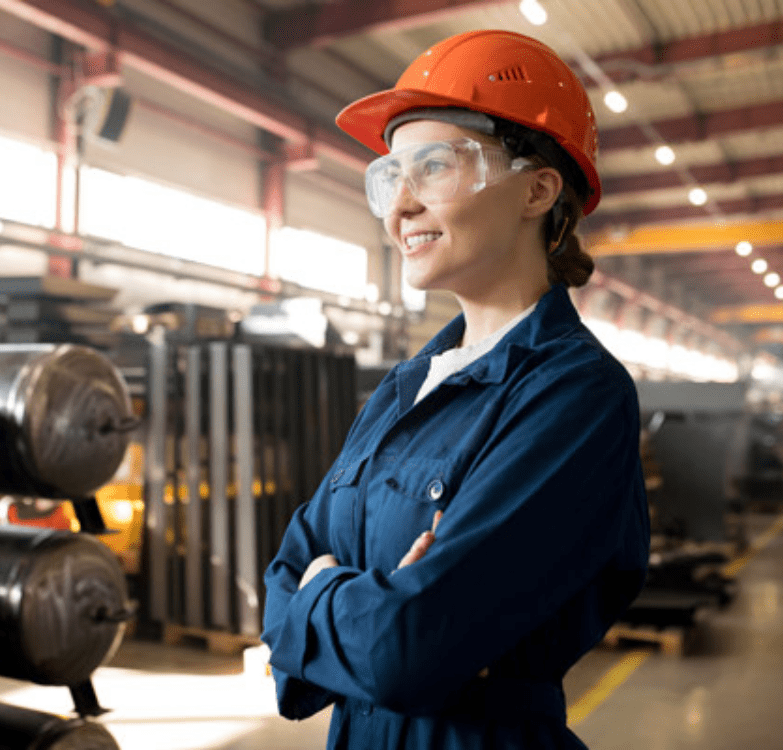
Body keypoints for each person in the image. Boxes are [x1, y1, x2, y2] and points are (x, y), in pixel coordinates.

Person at [261, 29, 651, 750]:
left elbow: (406, 649)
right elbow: (282, 576)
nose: (398, 207)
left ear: (539, 188)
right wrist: (351, 603)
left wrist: (323, 592)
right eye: (389, 176)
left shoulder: (577, 395)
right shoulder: (404, 388)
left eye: (434, 167)